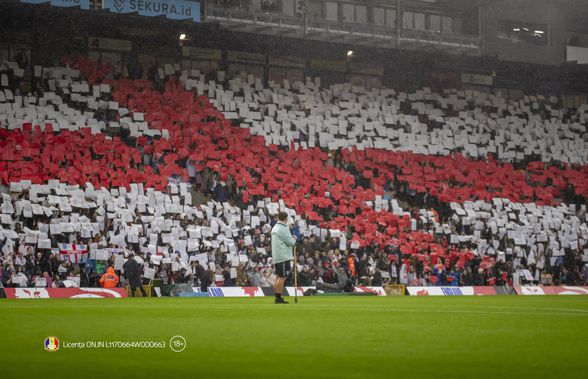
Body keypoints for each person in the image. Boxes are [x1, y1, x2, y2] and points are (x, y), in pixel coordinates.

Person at [271, 211, 296, 304]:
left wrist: (290, 238)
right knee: (282, 277)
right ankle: (278, 298)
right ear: (286, 218)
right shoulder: (283, 228)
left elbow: (282, 239)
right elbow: (290, 243)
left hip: (277, 256)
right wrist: (294, 239)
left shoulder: (275, 227)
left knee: (278, 276)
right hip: (283, 256)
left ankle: (277, 296)